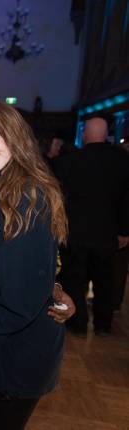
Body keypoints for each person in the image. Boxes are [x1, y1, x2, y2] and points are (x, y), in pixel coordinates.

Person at [0, 102, 68, 430]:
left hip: (13, 352)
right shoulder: (3, 187)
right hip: (5, 345)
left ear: (15, 135)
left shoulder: (26, 197)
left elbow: (18, 302)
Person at [54, 116, 129, 336]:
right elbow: (126, 199)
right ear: (106, 135)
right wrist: (124, 230)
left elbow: (60, 198)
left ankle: (77, 324)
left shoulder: (69, 161)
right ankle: (103, 325)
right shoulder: (122, 161)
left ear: (85, 134)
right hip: (107, 232)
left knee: (74, 279)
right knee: (104, 280)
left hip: (75, 232)